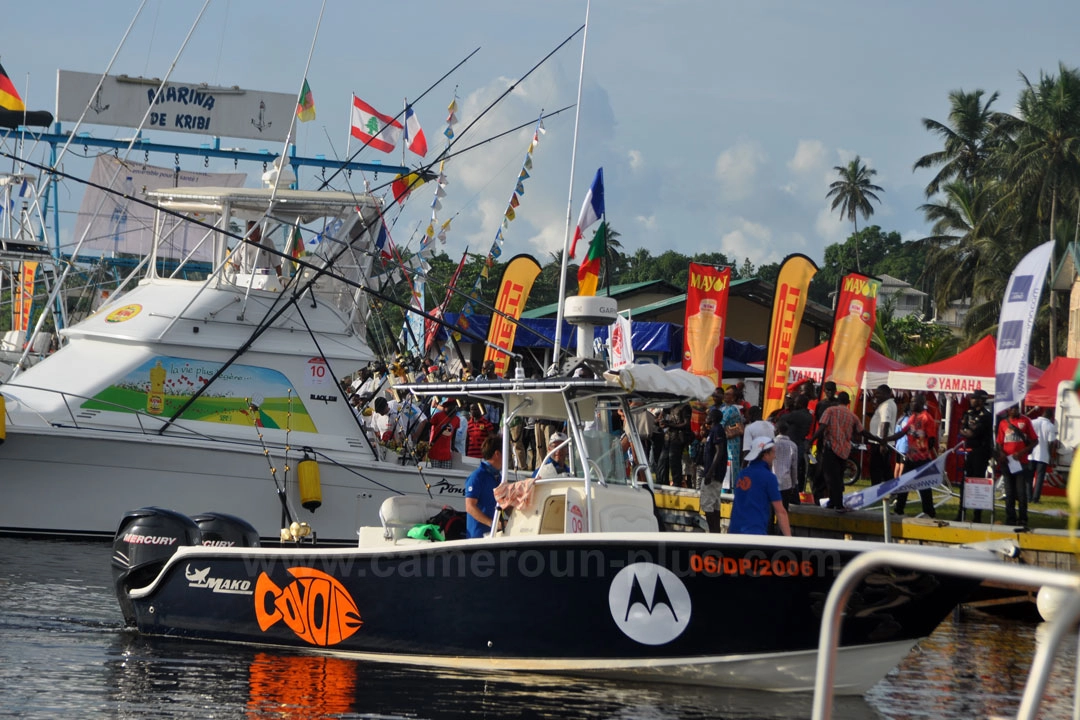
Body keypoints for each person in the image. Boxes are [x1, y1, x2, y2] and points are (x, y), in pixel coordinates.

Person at [812, 391, 872, 510]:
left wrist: (811, 440)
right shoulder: (852, 415)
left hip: (831, 449)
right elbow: (862, 431)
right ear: (849, 402)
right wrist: (878, 439)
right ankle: (833, 502)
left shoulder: (830, 411)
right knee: (838, 477)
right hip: (844, 451)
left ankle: (838, 503)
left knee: (830, 477)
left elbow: (822, 427)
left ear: (837, 400)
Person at [728, 437, 791, 536]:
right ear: (765, 454)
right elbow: (780, 511)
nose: (775, 456)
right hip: (755, 533)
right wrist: (790, 541)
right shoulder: (769, 477)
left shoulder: (742, 474)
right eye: (773, 452)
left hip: (734, 531)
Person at [888, 392, 937, 518]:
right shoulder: (912, 418)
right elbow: (902, 433)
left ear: (921, 403)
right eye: (911, 401)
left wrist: (923, 451)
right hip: (910, 457)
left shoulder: (927, 418)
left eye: (914, 401)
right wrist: (887, 439)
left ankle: (929, 512)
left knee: (924, 486)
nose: (911, 403)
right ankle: (899, 509)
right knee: (904, 483)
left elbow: (932, 439)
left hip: (922, 458)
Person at [996, 404, 1038, 527]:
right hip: (1007, 462)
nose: (1014, 410)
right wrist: (1002, 453)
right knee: (1009, 492)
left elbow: (1035, 441)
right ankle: (1011, 518)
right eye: (1012, 408)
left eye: (1016, 408)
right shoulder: (1003, 423)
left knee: (1021, 492)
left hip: (1021, 462)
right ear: (1008, 410)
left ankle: (1023, 518)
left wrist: (1021, 452)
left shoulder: (1025, 421)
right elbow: (999, 442)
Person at [956, 388, 993, 521]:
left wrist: (968, 431)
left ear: (981, 400)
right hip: (969, 451)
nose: (971, 400)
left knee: (978, 482)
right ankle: (961, 512)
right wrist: (967, 431)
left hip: (981, 452)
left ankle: (977, 515)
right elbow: (962, 429)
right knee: (964, 482)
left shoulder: (986, 415)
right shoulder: (968, 413)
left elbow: (972, 433)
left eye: (974, 398)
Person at [464, 434, 503, 538]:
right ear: (497, 454)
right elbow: (470, 506)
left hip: (494, 536)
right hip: (477, 538)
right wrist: (493, 523)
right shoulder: (477, 476)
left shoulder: (498, 477)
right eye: (505, 454)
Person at [868, 385, 897, 486]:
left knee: (877, 469)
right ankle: (892, 491)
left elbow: (885, 423)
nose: (877, 396)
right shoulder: (885, 404)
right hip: (880, 442)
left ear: (887, 394)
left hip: (881, 443)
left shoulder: (886, 405)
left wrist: (882, 443)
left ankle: (876, 490)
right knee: (884, 469)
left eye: (879, 393)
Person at [1031, 409, 1058, 503]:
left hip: (1031, 454)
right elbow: (1051, 443)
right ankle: (1035, 498)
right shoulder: (1050, 426)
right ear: (1051, 416)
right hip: (1043, 455)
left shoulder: (1032, 422)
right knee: (1039, 478)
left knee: (1029, 477)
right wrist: (1051, 456)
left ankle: (1028, 497)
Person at [772, 419, 801, 509]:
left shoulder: (771, 444)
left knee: (770, 511)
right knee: (783, 511)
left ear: (776, 430)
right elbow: (794, 467)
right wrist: (793, 484)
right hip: (786, 482)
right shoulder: (792, 445)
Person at [426, 398, 460, 469]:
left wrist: (453, 446)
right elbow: (428, 427)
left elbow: (454, 434)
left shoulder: (457, 419)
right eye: (450, 406)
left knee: (446, 475)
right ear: (445, 407)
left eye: (454, 406)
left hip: (446, 454)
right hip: (435, 451)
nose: (452, 408)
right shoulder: (437, 416)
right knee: (434, 474)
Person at [720, 386, 744, 483]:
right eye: (725, 394)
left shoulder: (732, 409)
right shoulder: (725, 408)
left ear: (734, 398)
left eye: (728, 394)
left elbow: (721, 422)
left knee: (731, 467)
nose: (725, 396)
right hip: (727, 441)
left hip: (731, 442)